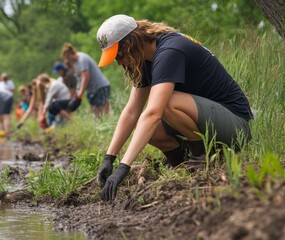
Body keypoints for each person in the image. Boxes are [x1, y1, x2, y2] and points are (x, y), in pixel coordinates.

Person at [94, 15, 253, 201]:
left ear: (131, 42)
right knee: (144, 126)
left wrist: (123, 168)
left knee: (166, 104)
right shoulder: (146, 58)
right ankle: (182, 161)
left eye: (119, 55)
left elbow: (153, 113)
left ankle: (202, 155)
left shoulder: (170, 51)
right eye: (114, 59)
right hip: (207, 120)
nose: (119, 62)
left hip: (236, 125)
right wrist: (109, 158)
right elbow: (131, 112)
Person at [61, 43, 111, 117]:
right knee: (96, 115)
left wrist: (79, 94)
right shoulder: (75, 63)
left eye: (68, 59)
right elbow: (79, 79)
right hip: (91, 90)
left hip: (100, 87)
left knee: (104, 112)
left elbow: (85, 77)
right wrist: (77, 93)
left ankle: (109, 127)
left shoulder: (82, 59)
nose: (68, 61)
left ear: (70, 55)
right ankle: (100, 128)